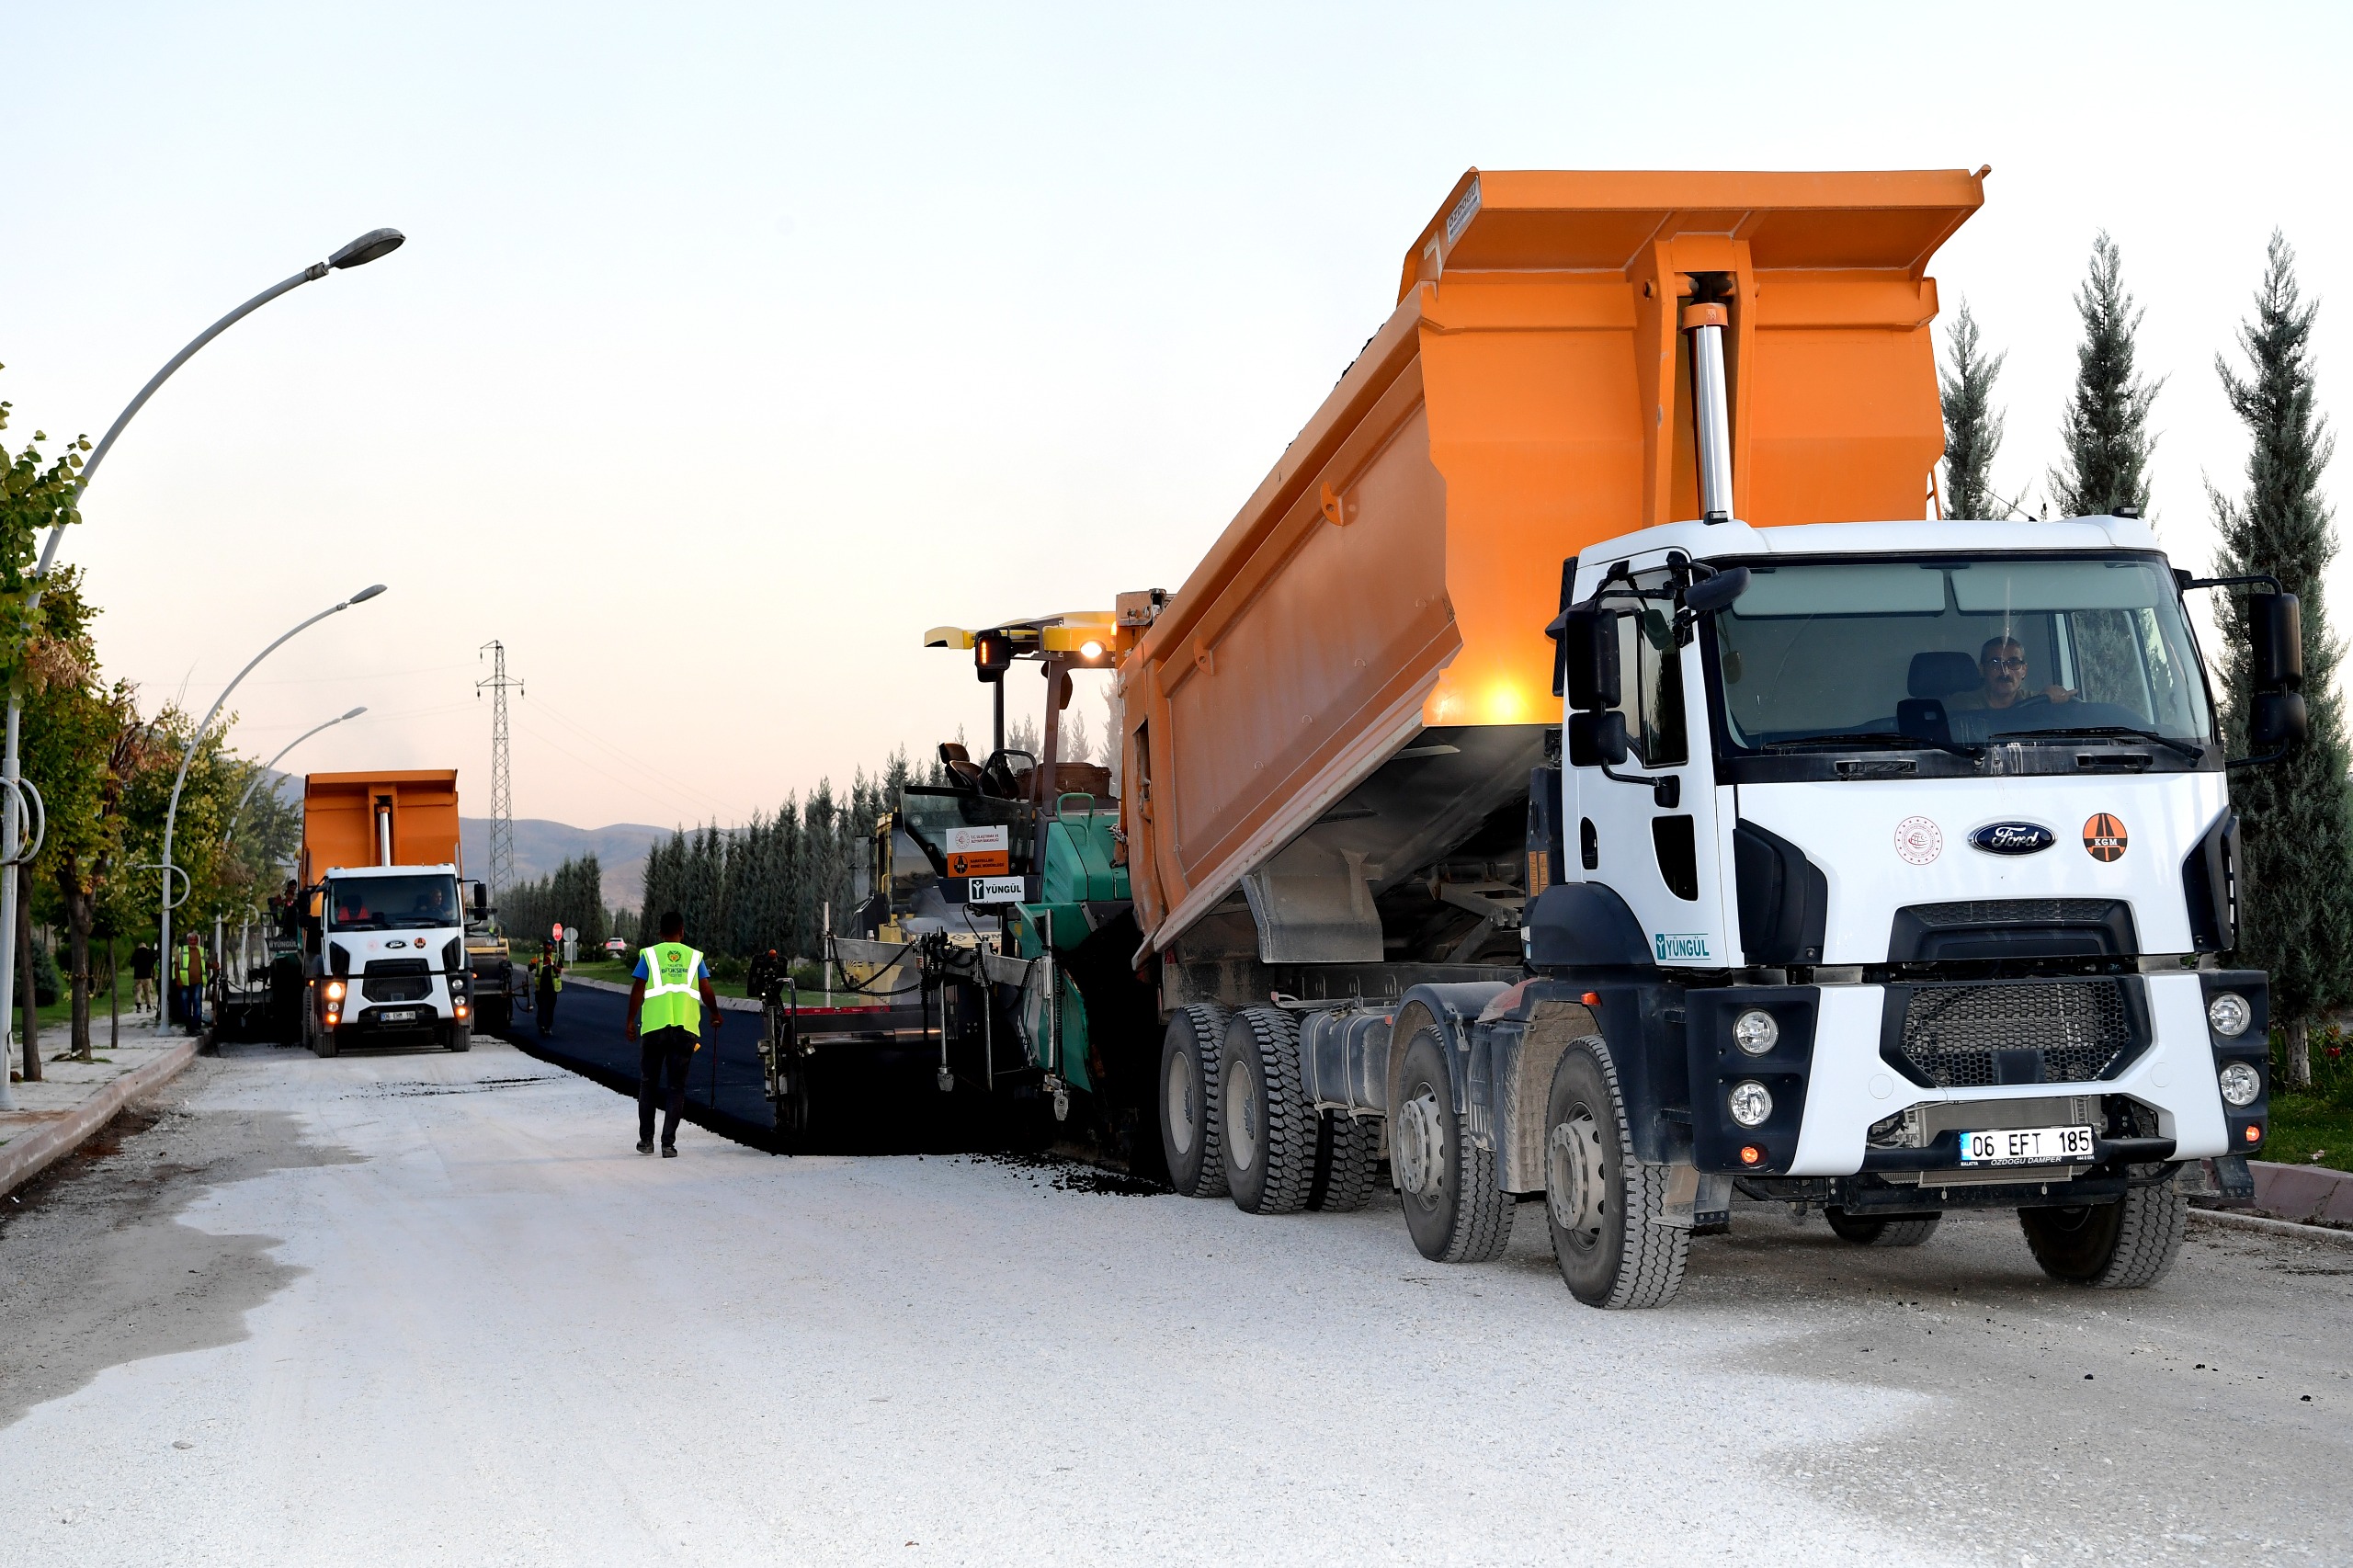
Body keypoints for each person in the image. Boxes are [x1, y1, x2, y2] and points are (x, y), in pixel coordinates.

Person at [625, 909, 722, 1157]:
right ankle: (668, 1144)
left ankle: (646, 1141)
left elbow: (638, 988)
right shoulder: (693, 957)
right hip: (685, 1029)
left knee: (648, 1084)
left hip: (654, 1029)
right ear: (682, 931)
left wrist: (629, 1021)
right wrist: (715, 1013)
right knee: (676, 1087)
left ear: (659, 933)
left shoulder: (650, 955)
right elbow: (706, 989)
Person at [1946, 635, 2075, 712]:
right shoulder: (1961, 704)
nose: (2005, 672)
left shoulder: (2040, 699)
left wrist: (2055, 704)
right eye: (1996, 663)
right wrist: (2038, 711)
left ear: (2024, 670)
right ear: (1982, 670)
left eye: (2013, 663)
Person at [172, 935, 208, 1035]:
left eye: (195, 940)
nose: (193, 941)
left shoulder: (201, 951)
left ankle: (197, 1028)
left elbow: (204, 964)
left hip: (198, 983)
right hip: (184, 983)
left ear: (198, 940)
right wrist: (178, 980)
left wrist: (213, 966)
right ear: (188, 940)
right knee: (185, 1006)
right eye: (191, 940)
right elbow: (176, 966)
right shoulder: (181, 951)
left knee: (197, 1005)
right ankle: (189, 1028)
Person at [131, 940, 158, 1017]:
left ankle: (138, 1006)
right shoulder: (149, 954)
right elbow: (152, 965)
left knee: (138, 992)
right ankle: (149, 1006)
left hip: (137, 976)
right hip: (147, 976)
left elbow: (131, 964)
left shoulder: (136, 954)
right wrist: (153, 975)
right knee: (148, 992)